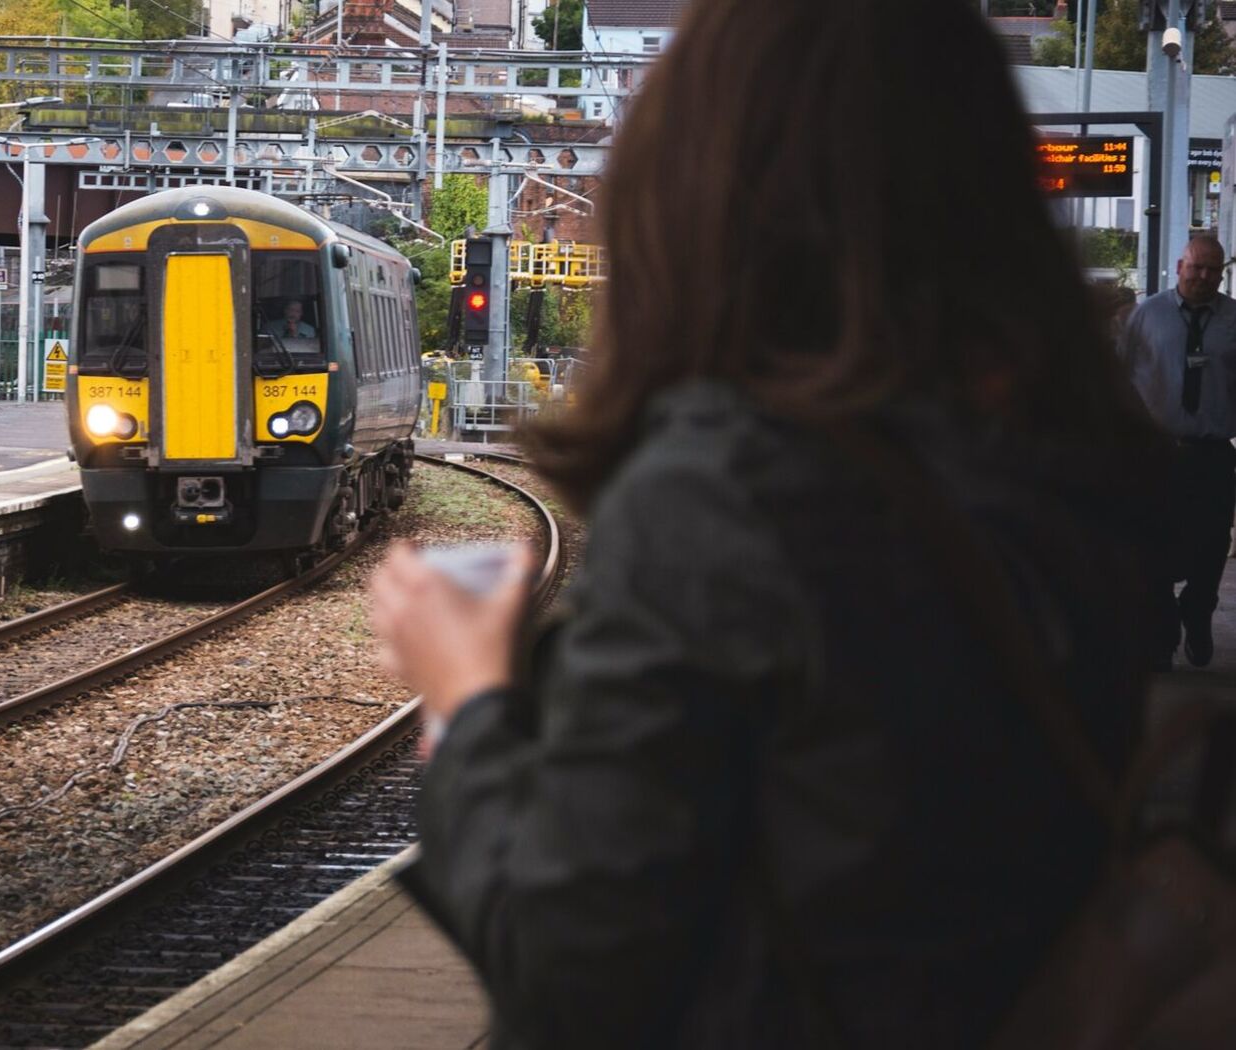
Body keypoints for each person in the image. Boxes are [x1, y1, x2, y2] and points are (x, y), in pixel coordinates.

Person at [369, 2, 1165, 1047]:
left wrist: (469, 701)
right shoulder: (1086, 470)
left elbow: (572, 971)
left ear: (709, 193)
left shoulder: (725, 501)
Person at [1119, 235, 1236, 667]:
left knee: (1211, 544)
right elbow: (1120, 378)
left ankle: (1198, 609)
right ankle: (1163, 632)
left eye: (1213, 270)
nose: (1204, 277)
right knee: (1152, 546)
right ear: (1179, 265)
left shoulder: (1232, 320)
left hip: (1212, 453)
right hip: (1157, 452)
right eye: (1196, 267)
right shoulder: (1147, 316)